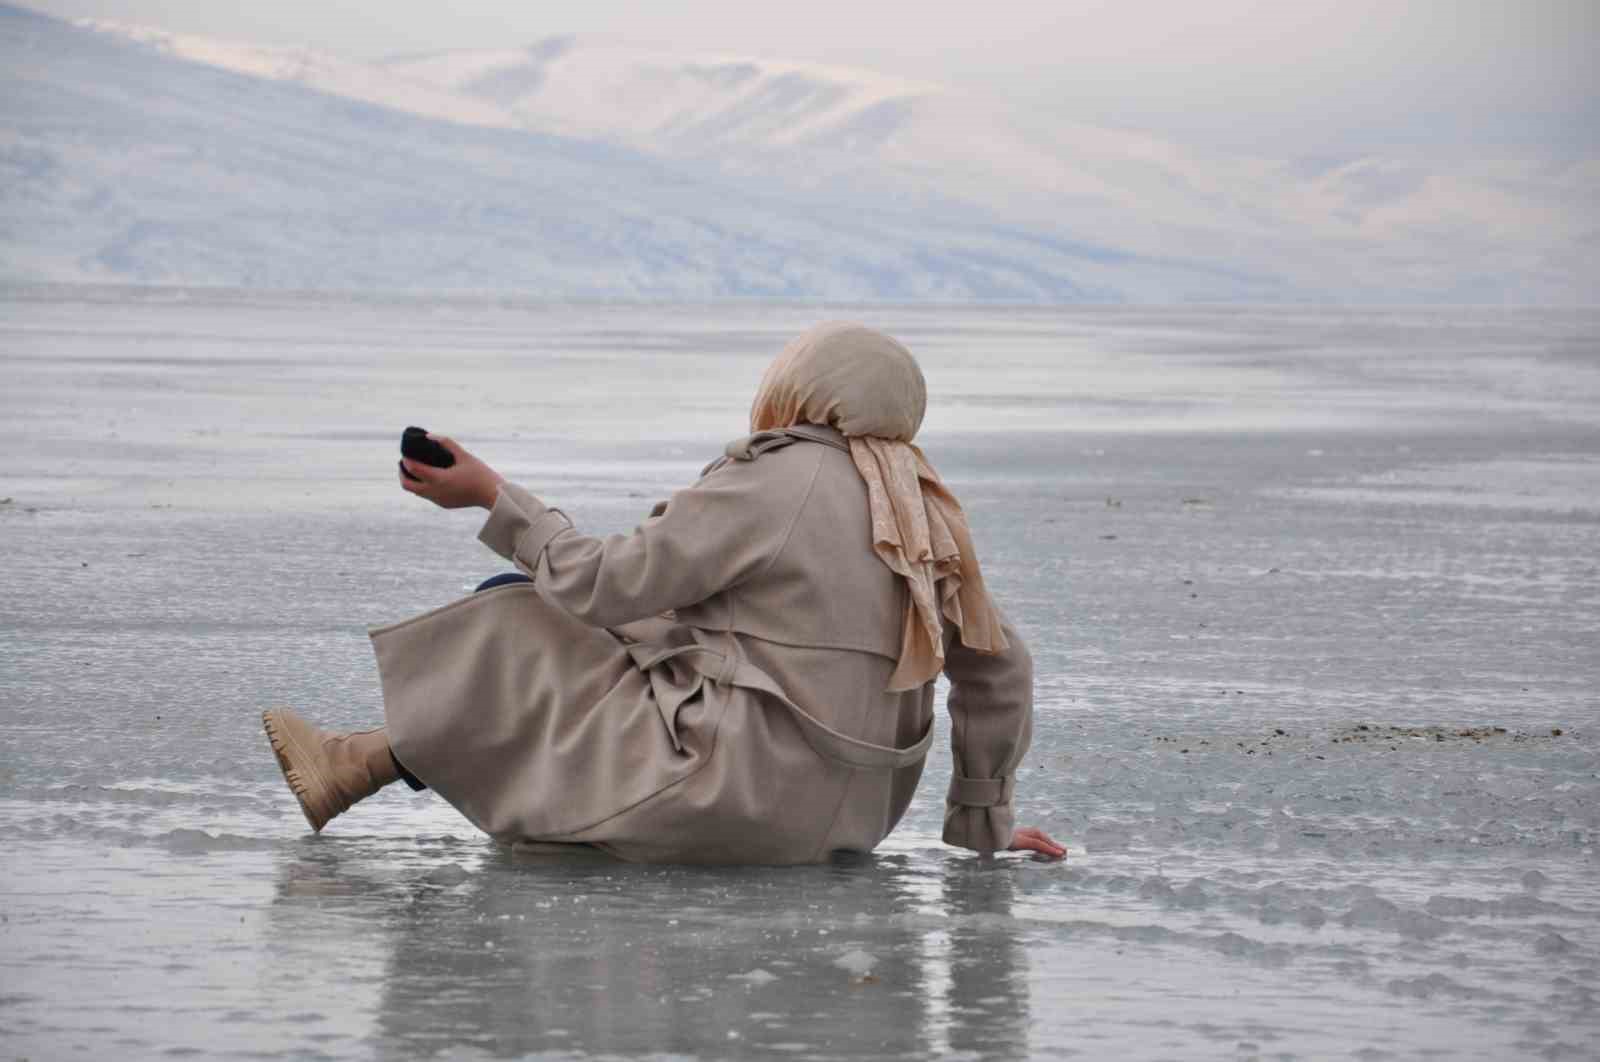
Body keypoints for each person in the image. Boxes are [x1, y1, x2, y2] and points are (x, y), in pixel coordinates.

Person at [263, 322, 1064, 864]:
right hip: (853, 822)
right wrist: (982, 822)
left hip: (728, 793)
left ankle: (358, 764)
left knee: (512, 606)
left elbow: (606, 584)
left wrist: (491, 497)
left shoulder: (778, 476)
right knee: (617, 646)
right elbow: (1001, 671)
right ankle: (357, 761)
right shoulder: (925, 511)